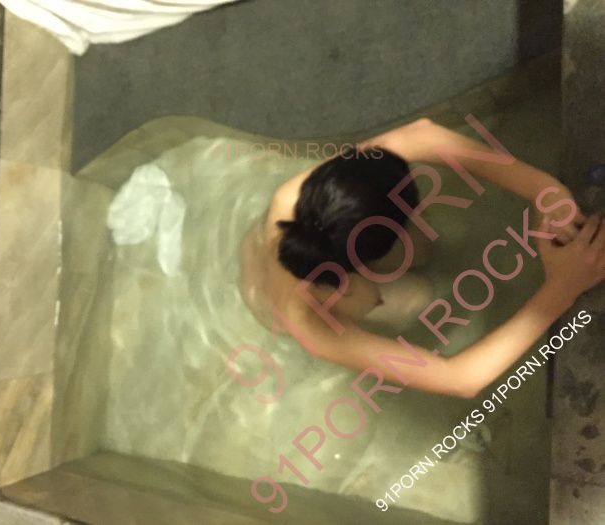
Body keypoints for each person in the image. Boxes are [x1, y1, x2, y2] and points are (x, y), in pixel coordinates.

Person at [237, 117, 604, 398]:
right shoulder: (312, 322)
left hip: (327, 255)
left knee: (424, 244)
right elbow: (461, 379)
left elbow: (422, 135)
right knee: (417, 296)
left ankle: (406, 252)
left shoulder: (307, 192)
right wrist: (562, 289)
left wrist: (543, 190)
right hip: (315, 295)